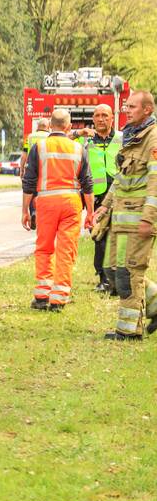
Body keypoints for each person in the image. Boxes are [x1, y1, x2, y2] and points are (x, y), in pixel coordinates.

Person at [95, 91, 157, 339]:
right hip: (122, 219)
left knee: (128, 274)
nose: (126, 110)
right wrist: (105, 206)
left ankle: (129, 331)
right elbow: (121, 178)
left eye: (132, 106)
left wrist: (148, 218)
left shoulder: (153, 140)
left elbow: (155, 182)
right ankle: (154, 302)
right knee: (111, 270)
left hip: (139, 220)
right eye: (126, 106)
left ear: (147, 110)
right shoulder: (131, 137)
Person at [21, 109, 93, 311]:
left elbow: (29, 181)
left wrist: (25, 210)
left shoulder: (38, 147)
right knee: (66, 248)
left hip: (46, 202)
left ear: (50, 126)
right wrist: (91, 212)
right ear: (69, 127)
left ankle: (42, 295)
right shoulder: (78, 149)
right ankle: (59, 298)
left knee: (44, 247)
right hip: (71, 203)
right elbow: (87, 183)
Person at [72, 105, 121, 292]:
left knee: (117, 238)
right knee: (99, 237)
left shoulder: (122, 138)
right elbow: (60, 137)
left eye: (105, 116)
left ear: (112, 119)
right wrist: (79, 131)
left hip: (119, 196)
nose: (101, 119)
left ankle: (117, 279)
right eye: (97, 116)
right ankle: (104, 279)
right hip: (97, 197)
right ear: (93, 118)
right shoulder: (85, 139)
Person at [21, 117, 50, 230]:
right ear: (48, 127)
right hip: (45, 167)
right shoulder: (50, 137)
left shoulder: (30, 137)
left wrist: (22, 168)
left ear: (38, 127)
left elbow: (24, 154)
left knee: (32, 192)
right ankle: (42, 214)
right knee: (43, 192)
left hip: (31, 167)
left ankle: (33, 212)